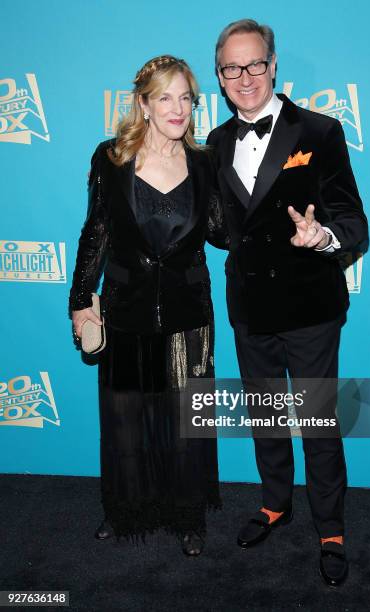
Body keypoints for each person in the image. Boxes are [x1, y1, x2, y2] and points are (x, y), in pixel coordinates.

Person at [207, 19, 368, 585]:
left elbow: (353, 223)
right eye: (232, 68)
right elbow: (221, 225)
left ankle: (330, 527)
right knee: (267, 419)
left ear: (273, 64)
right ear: (220, 77)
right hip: (250, 307)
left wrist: (322, 237)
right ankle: (275, 502)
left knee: (319, 423)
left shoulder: (320, 132)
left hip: (309, 307)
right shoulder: (216, 142)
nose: (245, 77)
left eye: (255, 64)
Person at [69, 55, 228, 556]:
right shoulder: (111, 158)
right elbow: (95, 231)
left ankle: (187, 516)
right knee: (125, 417)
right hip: (124, 308)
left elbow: (223, 230)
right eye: (165, 97)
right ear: (143, 103)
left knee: (186, 419)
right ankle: (125, 511)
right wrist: (79, 300)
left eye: (186, 98)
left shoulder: (205, 164)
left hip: (187, 313)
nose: (177, 108)